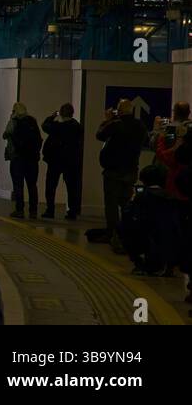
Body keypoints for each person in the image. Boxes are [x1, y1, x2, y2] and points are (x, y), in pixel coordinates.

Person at [95, 99, 146, 253]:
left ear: (119, 111)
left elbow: (100, 135)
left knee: (111, 203)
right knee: (125, 203)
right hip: (131, 169)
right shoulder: (140, 126)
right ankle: (125, 233)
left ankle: (112, 233)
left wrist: (106, 120)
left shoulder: (115, 124)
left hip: (113, 170)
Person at [121, 164, 182, 276]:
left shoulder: (142, 197)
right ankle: (168, 266)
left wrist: (131, 199)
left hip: (146, 239)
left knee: (125, 228)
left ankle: (140, 264)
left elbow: (128, 215)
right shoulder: (172, 198)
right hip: (170, 241)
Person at [41, 103, 84, 220]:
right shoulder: (77, 126)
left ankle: (50, 210)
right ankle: (72, 212)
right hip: (70, 161)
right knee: (71, 187)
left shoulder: (56, 126)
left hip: (55, 160)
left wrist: (51, 116)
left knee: (51, 186)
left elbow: (44, 126)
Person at [3, 103, 42, 218]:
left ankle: (19, 210)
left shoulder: (14, 121)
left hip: (18, 157)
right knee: (32, 185)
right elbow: (39, 139)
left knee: (18, 185)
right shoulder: (32, 121)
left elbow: (5, 135)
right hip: (32, 159)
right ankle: (33, 211)